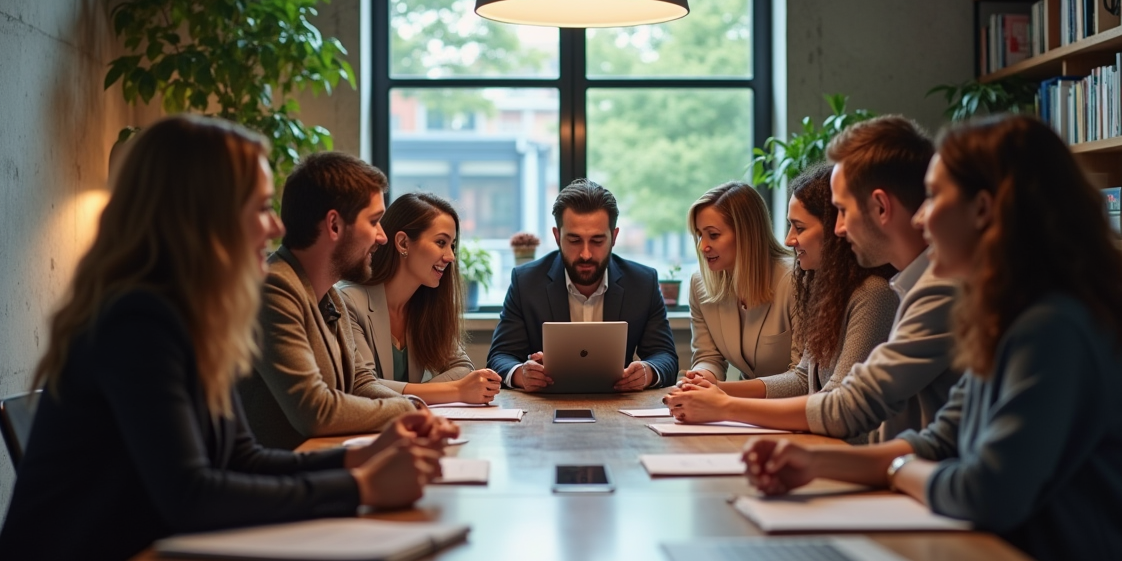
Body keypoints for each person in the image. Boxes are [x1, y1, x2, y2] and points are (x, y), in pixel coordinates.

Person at [0, 116, 456, 561]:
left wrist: (362, 459)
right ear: (200, 215)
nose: (275, 226)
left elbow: (241, 457)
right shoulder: (138, 319)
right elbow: (191, 496)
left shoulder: (191, 316)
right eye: (257, 207)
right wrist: (360, 488)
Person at [743, 114, 1122, 561]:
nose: (922, 218)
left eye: (933, 197)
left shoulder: (1053, 328)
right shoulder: (1005, 317)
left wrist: (894, 469)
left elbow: (982, 492)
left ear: (981, 209)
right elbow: (939, 442)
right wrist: (816, 464)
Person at [676, 116, 957, 440]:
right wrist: (719, 394)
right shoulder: (865, 288)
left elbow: (847, 407)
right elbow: (805, 380)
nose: (839, 228)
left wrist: (725, 405)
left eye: (843, 210)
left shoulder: (898, 292)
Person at [665, 165, 898, 423]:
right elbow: (804, 379)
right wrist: (712, 390)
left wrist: (726, 404)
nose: (788, 240)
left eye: (799, 227)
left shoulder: (871, 293)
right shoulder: (830, 290)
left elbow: (836, 405)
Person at [239, 152, 419, 449]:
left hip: (319, 467)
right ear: (334, 225)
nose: (382, 237)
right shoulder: (274, 289)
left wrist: (415, 407)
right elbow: (315, 410)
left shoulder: (331, 293)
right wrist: (405, 410)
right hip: (278, 482)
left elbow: (360, 383)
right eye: (374, 221)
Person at [487, 179, 678, 391]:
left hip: (619, 404)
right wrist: (521, 374)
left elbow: (665, 356)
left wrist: (647, 372)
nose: (586, 254)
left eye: (597, 241)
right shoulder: (526, 282)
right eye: (574, 240)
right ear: (557, 236)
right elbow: (500, 356)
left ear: (613, 238)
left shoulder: (642, 282)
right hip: (546, 406)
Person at [340, 192, 501, 404]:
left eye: (452, 245)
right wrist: (456, 392)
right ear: (403, 243)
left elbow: (462, 368)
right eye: (441, 242)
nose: (450, 256)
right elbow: (363, 387)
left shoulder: (426, 304)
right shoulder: (348, 302)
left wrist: (421, 394)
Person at [684, 182, 800, 385]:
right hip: (741, 406)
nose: (703, 246)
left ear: (747, 234)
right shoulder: (699, 284)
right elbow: (708, 358)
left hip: (791, 408)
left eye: (713, 235)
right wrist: (700, 379)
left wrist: (724, 392)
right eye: (699, 235)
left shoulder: (795, 280)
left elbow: (803, 376)